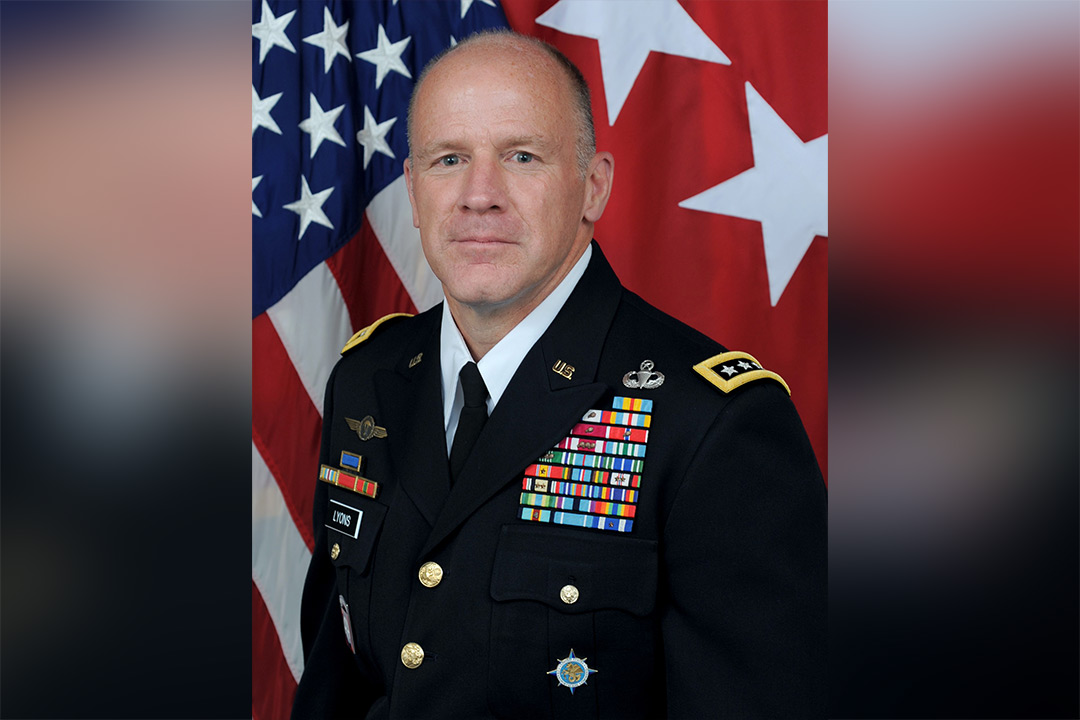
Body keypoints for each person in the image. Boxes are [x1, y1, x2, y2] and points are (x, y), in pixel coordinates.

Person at [292, 30, 826, 720]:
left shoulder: (712, 423)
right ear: (415, 188)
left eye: (521, 156)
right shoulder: (370, 381)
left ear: (593, 186)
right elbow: (336, 686)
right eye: (449, 158)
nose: (479, 196)